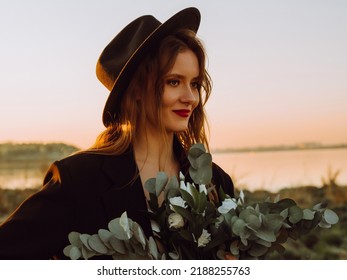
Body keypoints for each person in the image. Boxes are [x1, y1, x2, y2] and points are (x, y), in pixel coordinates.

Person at [0, 7, 234, 259]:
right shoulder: (79, 181)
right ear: (135, 92)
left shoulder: (216, 184)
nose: (190, 98)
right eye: (173, 82)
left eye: (195, 84)